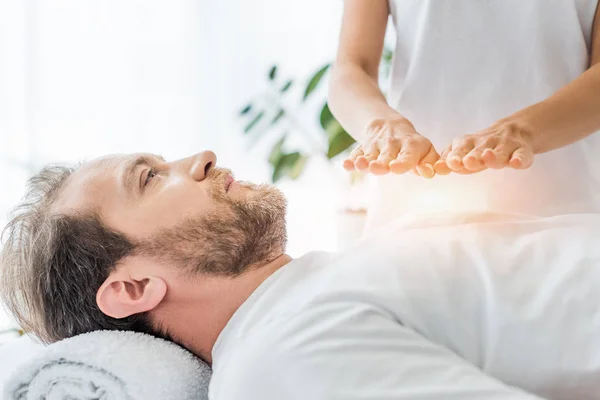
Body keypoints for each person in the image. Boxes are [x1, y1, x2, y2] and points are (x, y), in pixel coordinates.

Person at [1, 150, 600, 399]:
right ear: (133, 288)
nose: (202, 157)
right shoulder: (282, 360)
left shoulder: (314, 293)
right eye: (151, 178)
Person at [328, 0, 600, 232]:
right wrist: (381, 127)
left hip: (563, 222)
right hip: (411, 220)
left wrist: (521, 130)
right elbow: (352, 67)